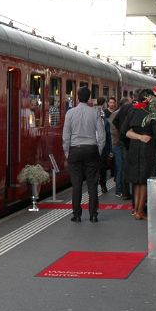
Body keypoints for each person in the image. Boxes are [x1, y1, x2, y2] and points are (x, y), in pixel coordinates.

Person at [62, 86, 106, 222]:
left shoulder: (70, 113)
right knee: (92, 184)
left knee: (76, 185)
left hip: (75, 150)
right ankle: (93, 214)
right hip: (91, 149)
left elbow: (66, 136)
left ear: (77, 96)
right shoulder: (95, 113)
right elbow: (102, 135)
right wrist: (98, 150)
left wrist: (67, 153)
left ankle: (76, 214)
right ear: (89, 98)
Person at [122, 89, 156, 220]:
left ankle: (136, 210)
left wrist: (138, 137)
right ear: (148, 99)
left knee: (136, 181)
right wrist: (144, 137)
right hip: (147, 148)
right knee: (144, 181)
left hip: (134, 147)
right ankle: (140, 211)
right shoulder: (152, 112)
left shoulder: (132, 110)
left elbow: (125, 131)